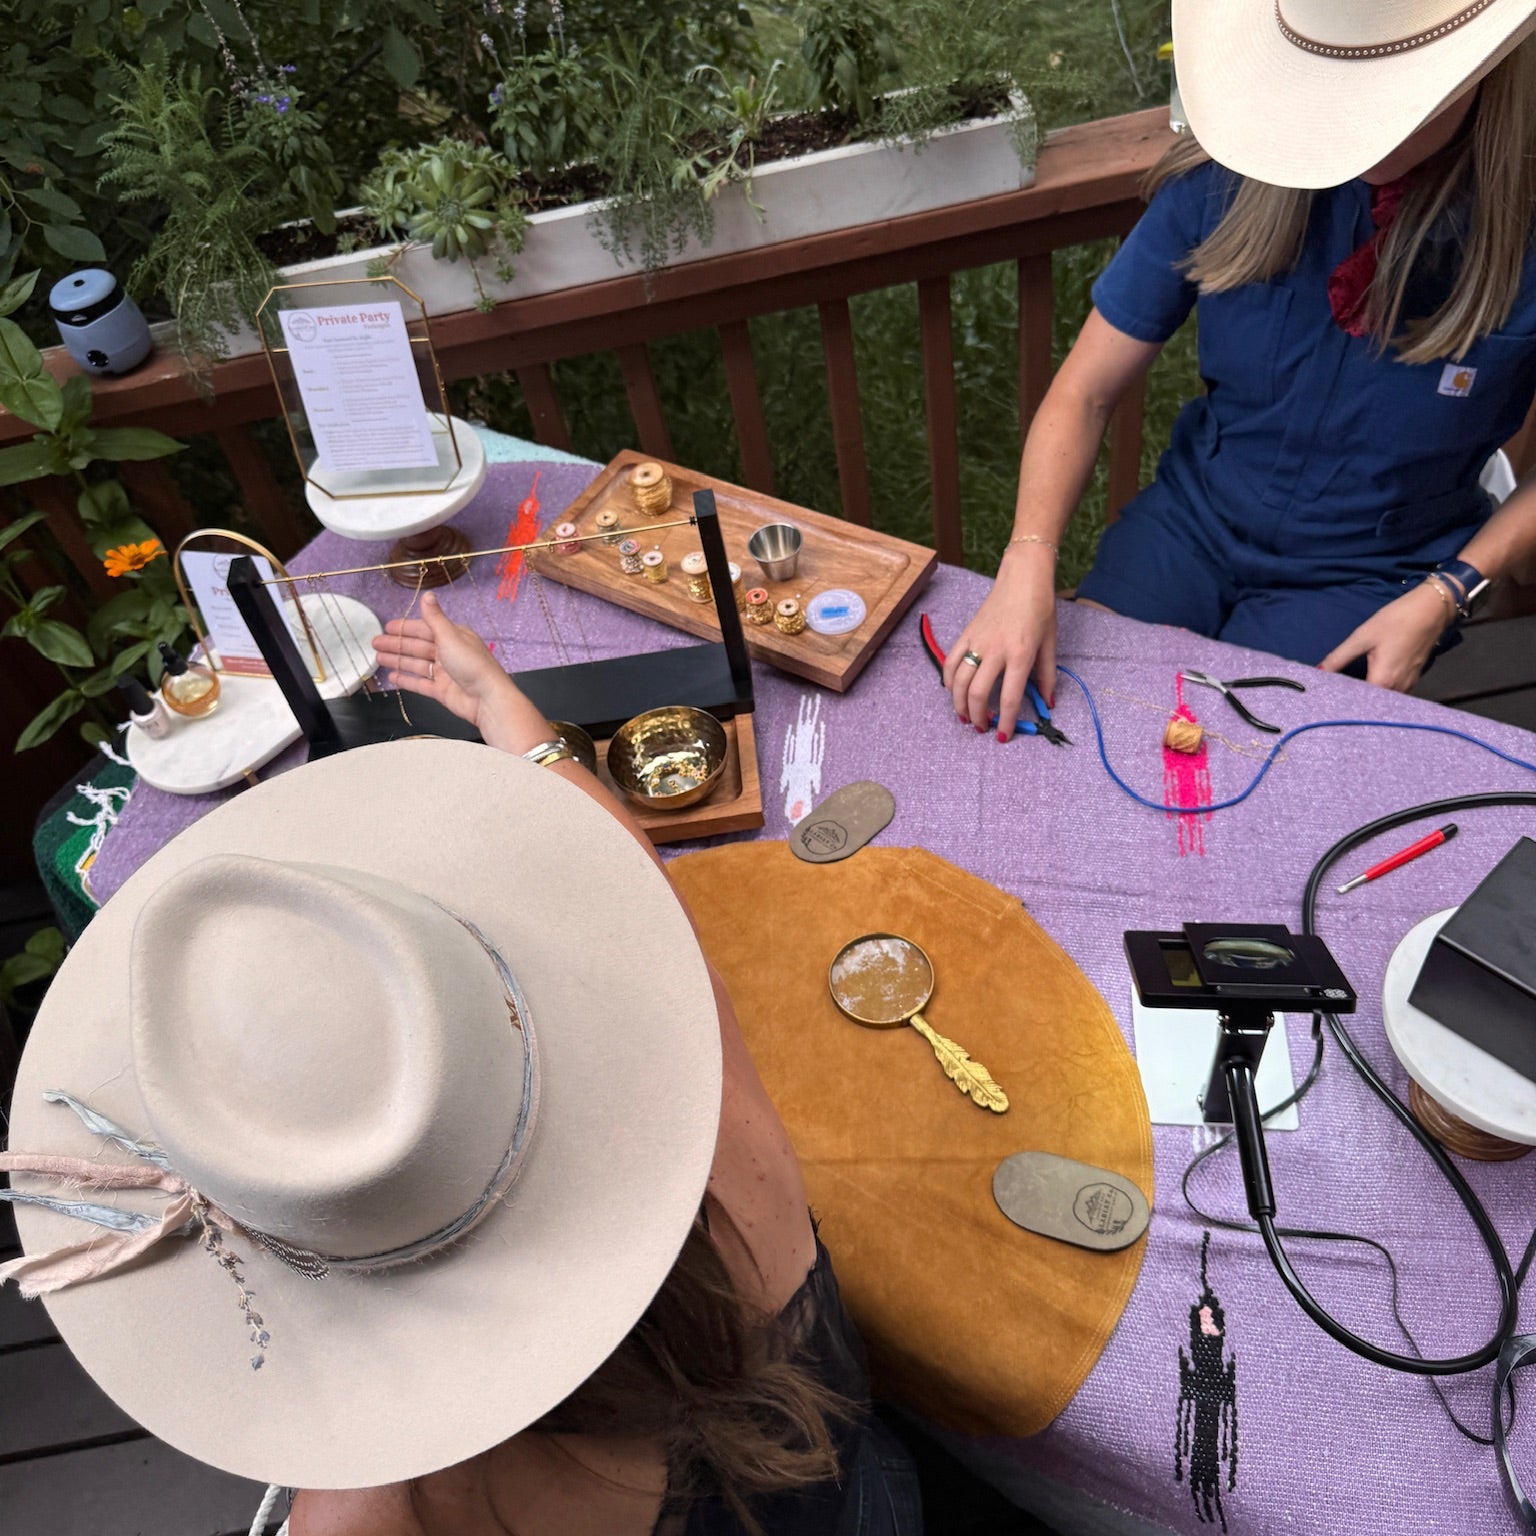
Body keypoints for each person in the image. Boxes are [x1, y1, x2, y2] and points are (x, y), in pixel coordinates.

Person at [0, 588, 921, 1536]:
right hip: (865, 1492)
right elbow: (628, 877)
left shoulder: (373, 1503)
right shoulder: (718, 1111)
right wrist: (504, 712)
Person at [946, 0, 1536, 740]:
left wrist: (1451, 589)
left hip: (1374, 571)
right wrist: (1025, 563)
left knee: (1240, 760)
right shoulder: (1228, 179)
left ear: (1483, 71)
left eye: (1393, 97)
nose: (1355, 124)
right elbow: (1085, 390)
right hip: (1192, 526)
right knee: (1062, 716)